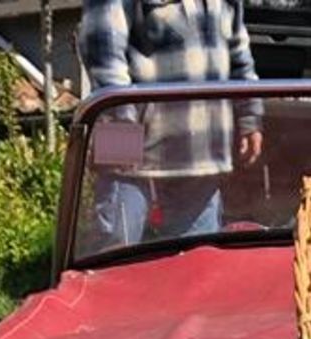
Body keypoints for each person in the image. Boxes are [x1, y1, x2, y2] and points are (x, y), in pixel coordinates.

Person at [78, 0, 264, 247]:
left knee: (197, 269)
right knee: (113, 265)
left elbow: (239, 53)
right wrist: (122, 137)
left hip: (202, 153)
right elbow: (103, 51)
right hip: (130, 152)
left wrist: (250, 116)